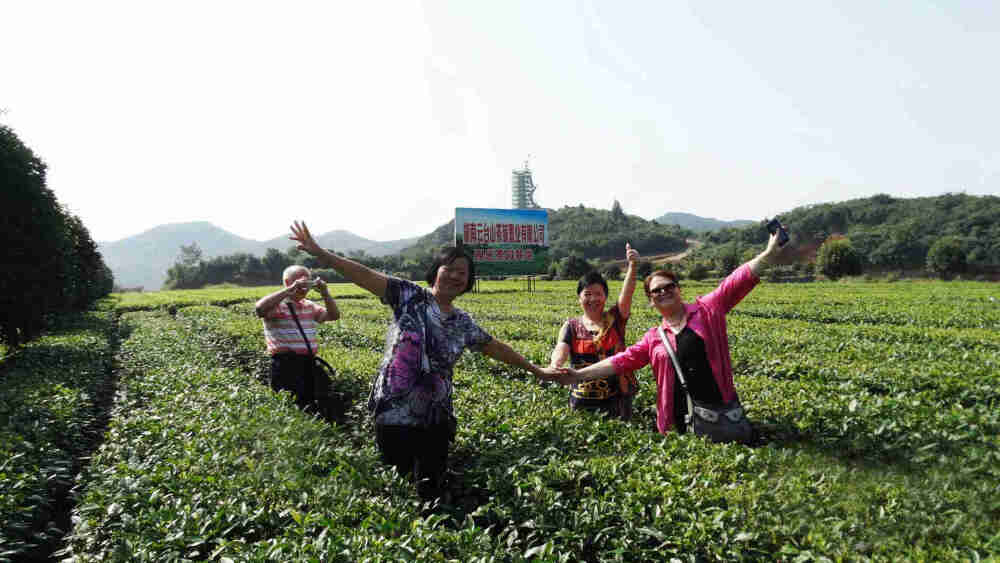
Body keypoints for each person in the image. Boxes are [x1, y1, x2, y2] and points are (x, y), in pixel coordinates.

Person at [289, 220, 560, 500]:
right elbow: (363, 274)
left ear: (468, 282)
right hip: (394, 413)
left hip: (436, 418)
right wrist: (320, 253)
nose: (455, 276)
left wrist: (536, 370)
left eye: (462, 273)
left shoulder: (463, 322)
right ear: (435, 272)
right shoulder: (409, 296)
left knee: (431, 490)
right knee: (397, 489)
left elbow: (495, 347)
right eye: (449, 269)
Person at [557, 230, 788, 435]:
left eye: (669, 286)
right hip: (676, 427)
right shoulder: (654, 337)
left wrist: (767, 254)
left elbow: (736, 281)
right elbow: (620, 362)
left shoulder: (707, 310)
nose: (664, 292)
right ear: (650, 301)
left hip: (719, 418)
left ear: (679, 289)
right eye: (657, 290)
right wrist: (577, 375)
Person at [548, 243, 640, 420]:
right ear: (579, 299)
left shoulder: (615, 320)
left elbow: (627, 294)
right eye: (587, 294)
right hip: (581, 401)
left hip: (616, 400)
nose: (593, 299)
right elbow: (561, 348)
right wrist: (555, 365)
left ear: (605, 297)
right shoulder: (571, 326)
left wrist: (633, 266)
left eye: (598, 294)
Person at [255, 265, 340, 409]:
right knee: (292, 407)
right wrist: (289, 290)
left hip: (308, 364)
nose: (305, 288)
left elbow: (333, 315)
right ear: (288, 283)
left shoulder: (309, 306)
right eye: (301, 283)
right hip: (286, 366)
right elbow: (260, 309)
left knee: (314, 406)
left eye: (307, 283)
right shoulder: (277, 305)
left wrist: (325, 293)